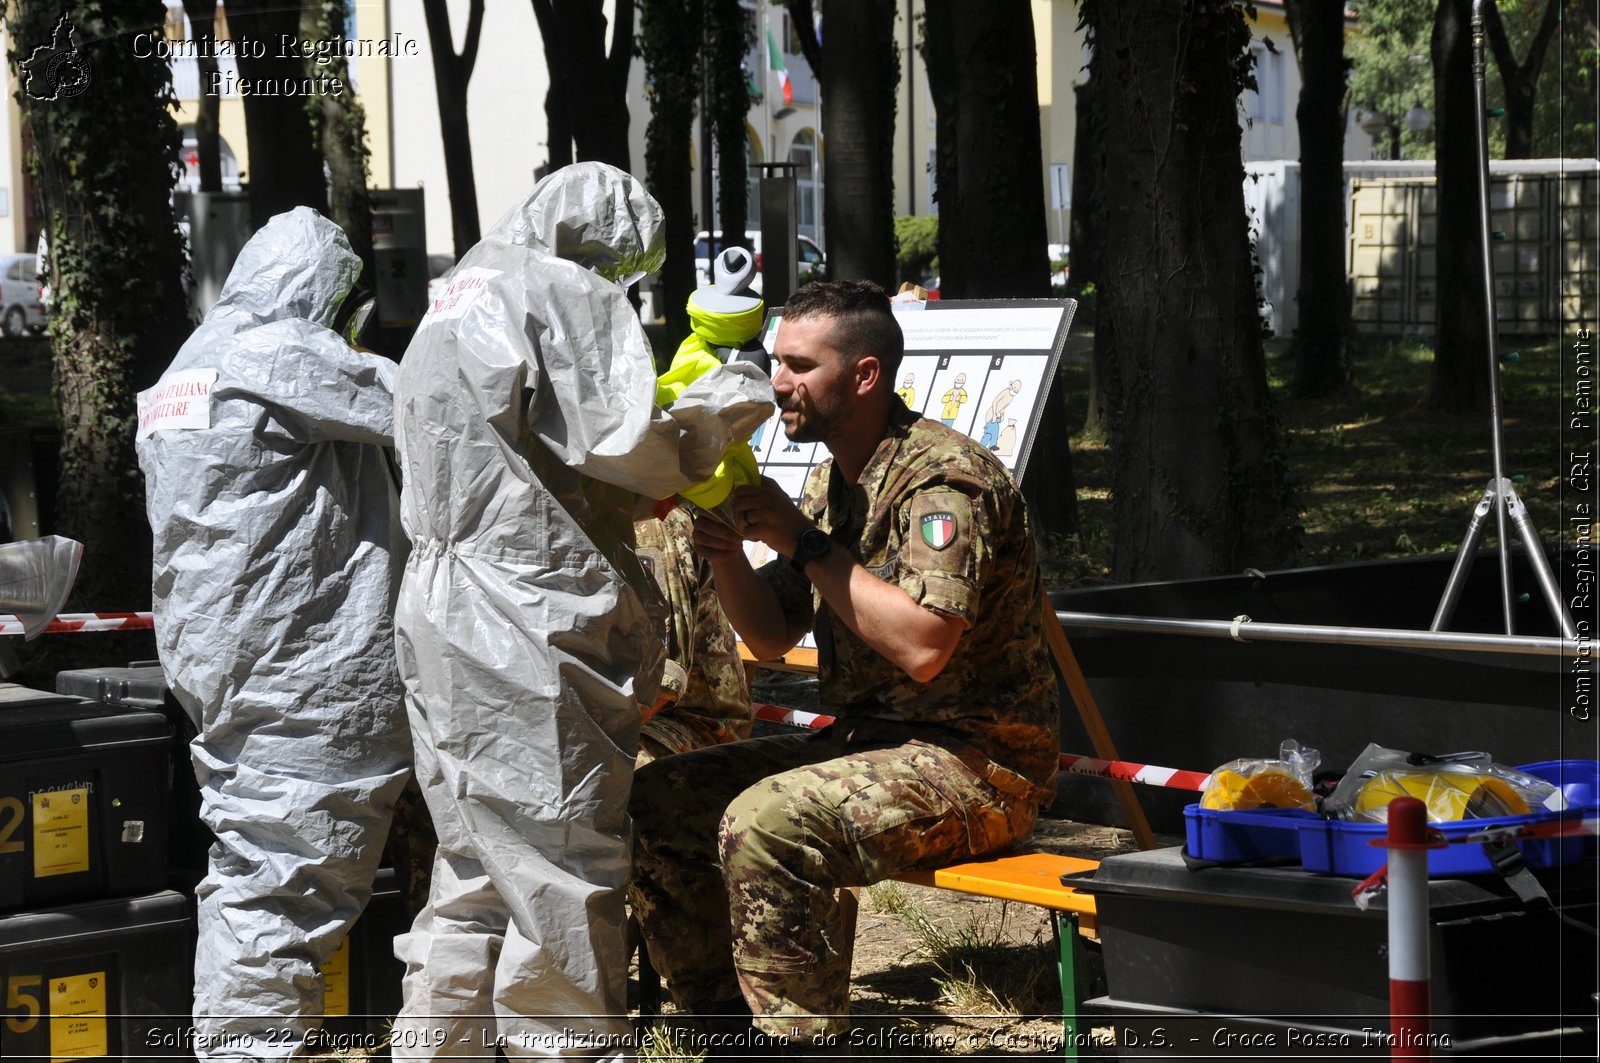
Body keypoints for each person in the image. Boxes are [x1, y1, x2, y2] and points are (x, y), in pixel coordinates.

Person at [389, 161, 771, 1060]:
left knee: (477, 865)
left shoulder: (457, 293)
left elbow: (541, 464)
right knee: (563, 864)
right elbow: (629, 448)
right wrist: (716, 411)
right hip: (524, 616)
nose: (622, 291)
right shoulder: (559, 289)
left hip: (439, 605)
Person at [629, 280, 1061, 1055]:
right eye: (774, 362)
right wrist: (728, 550)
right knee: (659, 797)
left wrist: (805, 542)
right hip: (873, 742)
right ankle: (724, 1021)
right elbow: (767, 634)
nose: (777, 383)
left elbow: (926, 646)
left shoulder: (943, 480)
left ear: (864, 375)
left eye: (799, 365)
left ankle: (804, 1041)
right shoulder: (838, 480)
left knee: (771, 822)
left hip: (979, 764)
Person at [137, 208, 411, 1062]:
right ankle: (249, 1050)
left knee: (256, 852)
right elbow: (435, 404)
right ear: (320, 291)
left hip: (227, 660)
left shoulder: (190, 365)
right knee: (285, 875)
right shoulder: (284, 354)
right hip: (302, 665)